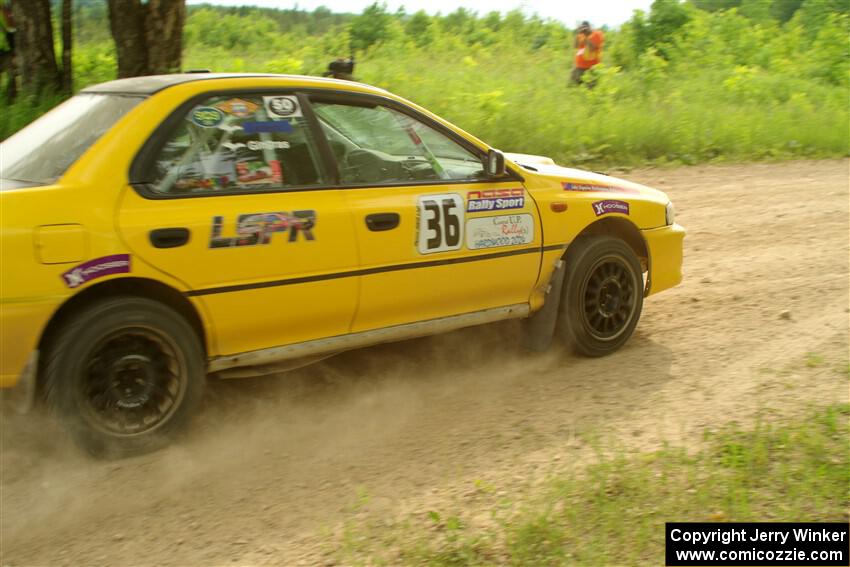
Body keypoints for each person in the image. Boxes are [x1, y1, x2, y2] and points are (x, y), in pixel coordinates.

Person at [570, 21, 604, 86]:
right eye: (582, 27)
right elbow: (575, 46)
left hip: (592, 68)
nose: (584, 29)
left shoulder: (597, 34)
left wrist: (586, 36)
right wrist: (578, 33)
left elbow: (592, 48)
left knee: (591, 90)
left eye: (586, 27)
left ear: (590, 27)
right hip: (578, 66)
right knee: (573, 87)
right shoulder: (581, 34)